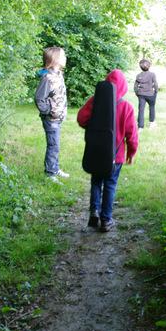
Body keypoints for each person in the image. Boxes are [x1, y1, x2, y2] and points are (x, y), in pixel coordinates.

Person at [77, 69, 138, 232]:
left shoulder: (95, 101)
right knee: (110, 185)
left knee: (96, 181)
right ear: (124, 87)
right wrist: (131, 152)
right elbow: (131, 134)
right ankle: (106, 220)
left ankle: (94, 212)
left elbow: (81, 119)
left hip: (96, 152)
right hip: (115, 156)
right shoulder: (126, 107)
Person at [34, 46, 69, 181]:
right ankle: (50, 173)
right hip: (51, 118)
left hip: (57, 117)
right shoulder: (47, 78)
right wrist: (48, 111)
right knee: (53, 145)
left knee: (56, 144)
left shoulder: (58, 75)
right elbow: (39, 98)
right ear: (55, 60)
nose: (65, 58)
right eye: (62, 56)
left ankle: (55, 167)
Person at [134, 58, 158, 130]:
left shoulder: (138, 75)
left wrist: (137, 93)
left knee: (141, 110)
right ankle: (152, 123)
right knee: (152, 107)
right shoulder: (152, 74)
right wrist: (156, 91)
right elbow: (156, 84)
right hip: (150, 94)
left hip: (141, 94)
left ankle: (140, 126)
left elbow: (135, 86)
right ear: (149, 66)